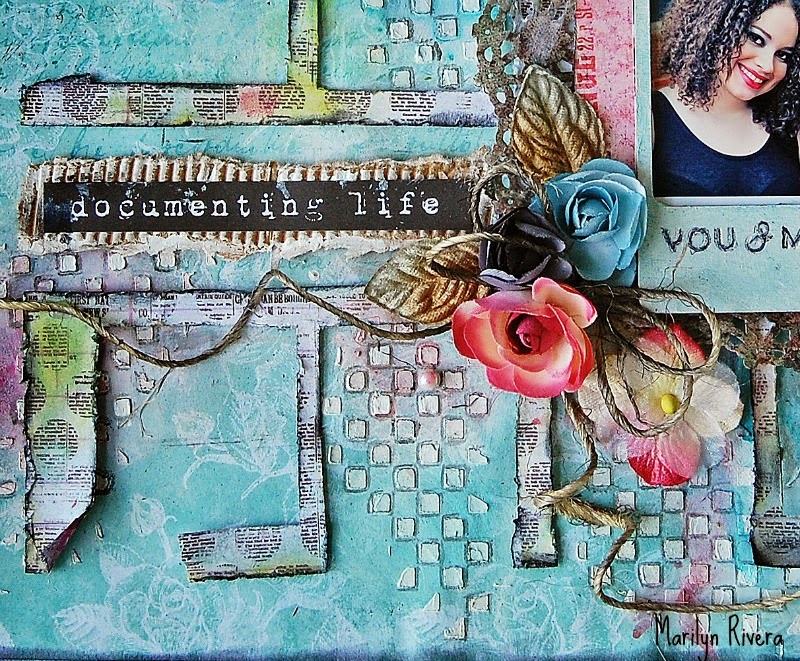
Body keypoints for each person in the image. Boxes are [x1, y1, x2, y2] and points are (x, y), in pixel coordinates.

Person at [652, 0, 800, 196]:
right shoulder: (649, 117)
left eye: (783, 55)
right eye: (756, 38)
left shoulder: (790, 125)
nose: (767, 66)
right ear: (717, 26)